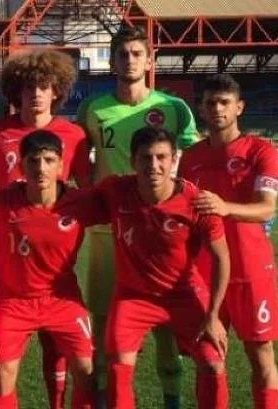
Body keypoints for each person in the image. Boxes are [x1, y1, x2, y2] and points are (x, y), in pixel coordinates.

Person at [76, 25, 200, 408]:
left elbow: (195, 162)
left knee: (166, 325)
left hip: (161, 230)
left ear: (149, 60)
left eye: (136, 53)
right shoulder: (93, 109)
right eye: (122, 54)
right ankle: (103, 396)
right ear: (112, 62)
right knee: (102, 322)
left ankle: (172, 399)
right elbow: (78, 160)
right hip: (108, 230)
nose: (129, 60)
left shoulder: (173, 108)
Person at [0, 49, 90, 408]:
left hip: (51, 248)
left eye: (43, 86)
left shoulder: (73, 135)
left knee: (58, 346)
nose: (35, 94)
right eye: (28, 87)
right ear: (15, 92)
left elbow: (86, 188)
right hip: (4, 255)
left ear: (57, 91)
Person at [90, 127, 230, 409]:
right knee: (118, 366)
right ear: (133, 161)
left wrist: (213, 316)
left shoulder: (197, 202)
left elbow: (222, 258)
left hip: (184, 293)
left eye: (161, 157)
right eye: (146, 157)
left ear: (174, 159)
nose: (153, 165)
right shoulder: (115, 190)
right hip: (133, 296)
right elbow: (72, 204)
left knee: (214, 365)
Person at [179, 73, 278, 409]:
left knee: (261, 355)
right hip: (205, 274)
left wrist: (225, 207)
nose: (217, 109)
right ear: (202, 109)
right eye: (211, 103)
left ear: (239, 107)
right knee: (208, 358)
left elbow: (267, 208)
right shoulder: (190, 158)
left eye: (225, 102)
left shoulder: (261, 150)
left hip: (251, 271)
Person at [0, 130, 95, 408]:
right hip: (14, 301)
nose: (41, 168)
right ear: (21, 165)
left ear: (61, 165)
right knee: (2, 375)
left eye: (49, 160)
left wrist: (181, 189)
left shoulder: (80, 202)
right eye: (33, 161)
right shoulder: (1, 203)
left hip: (62, 299)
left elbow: (128, 200)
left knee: (86, 371)